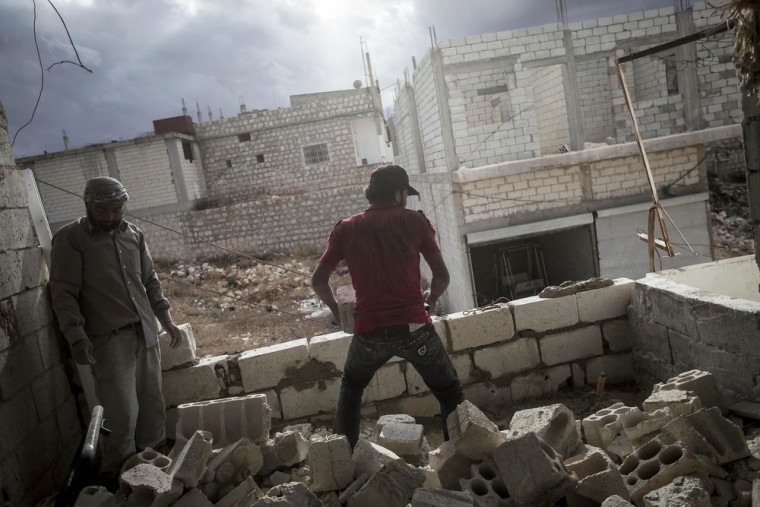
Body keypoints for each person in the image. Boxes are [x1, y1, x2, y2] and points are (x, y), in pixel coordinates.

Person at [311, 164, 465, 448]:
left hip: (368, 331)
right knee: (449, 391)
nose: (406, 199)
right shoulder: (416, 222)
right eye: (405, 193)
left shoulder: (346, 228)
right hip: (415, 327)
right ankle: (458, 456)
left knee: (353, 387)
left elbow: (318, 281)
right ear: (397, 194)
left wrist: (338, 313)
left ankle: (340, 457)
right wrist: (429, 301)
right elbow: (442, 276)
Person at [49, 176, 182, 477]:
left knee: (152, 406)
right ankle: (118, 482)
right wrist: (76, 337)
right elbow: (63, 292)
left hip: (145, 333)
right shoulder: (71, 238)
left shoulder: (134, 234)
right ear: (88, 206)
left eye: (116, 209)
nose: (110, 216)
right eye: (102, 210)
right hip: (108, 340)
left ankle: (155, 472)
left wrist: (166, 320)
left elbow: (149, 281)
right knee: (122, 415)